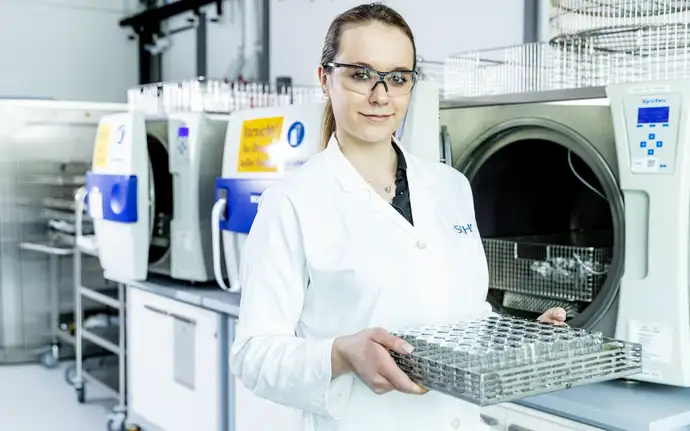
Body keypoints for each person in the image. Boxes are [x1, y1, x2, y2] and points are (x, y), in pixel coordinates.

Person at [229, 3, 567, 431]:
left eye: (398, 78)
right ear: (325, 78)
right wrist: (339, 353)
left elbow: (465, 314)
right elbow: (253, 355)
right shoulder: (293, 202)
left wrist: (519, 338)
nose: (381, 95)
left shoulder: (450, 187)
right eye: (361, 74)